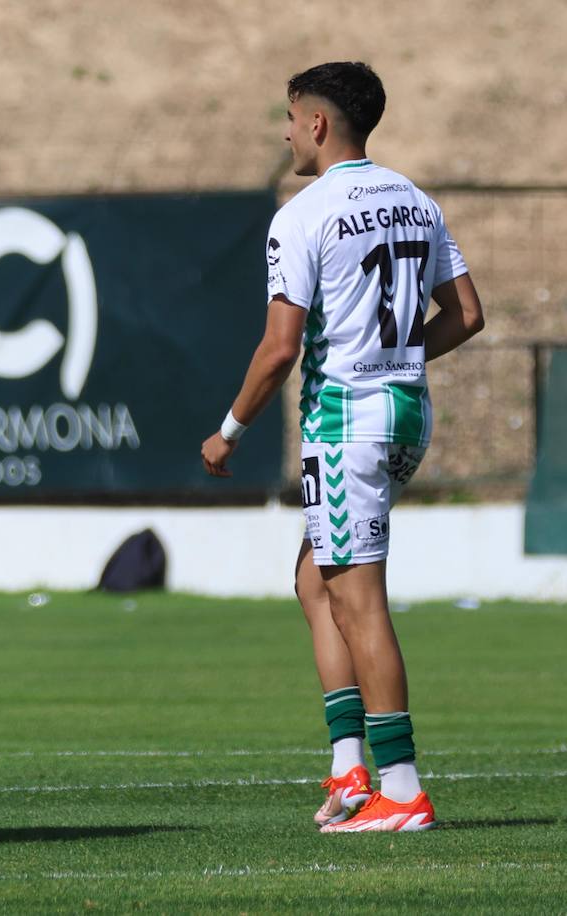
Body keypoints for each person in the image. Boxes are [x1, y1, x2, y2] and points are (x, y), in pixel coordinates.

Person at [200, 61, 483, 833]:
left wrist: (228, 432)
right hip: (403, 414)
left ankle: (400, 787)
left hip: (347, 419)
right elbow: (466, 314)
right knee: (314, 581)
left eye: (290, 118)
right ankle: (349, 767)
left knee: (358, 595)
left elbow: (279, 347)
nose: (286, 132)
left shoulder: (304, 213)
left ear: (318, 124)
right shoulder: (413, 197)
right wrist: (399, 361)